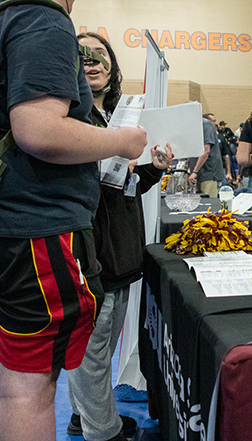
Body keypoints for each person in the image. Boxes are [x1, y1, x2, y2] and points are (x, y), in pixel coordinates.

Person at [0, 0, 148, 441]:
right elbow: (38, 130)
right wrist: (121, 140)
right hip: (35, 231)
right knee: (30, 388)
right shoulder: (42, 20)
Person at [67, 32, 171, 441]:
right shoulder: (72, 119)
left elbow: (126, 189)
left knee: (103, 345)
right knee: (92, 350)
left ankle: (83, 416)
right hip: (89, 251)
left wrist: (152, 169)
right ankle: (102, 430)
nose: (93, 62)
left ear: (112, 67)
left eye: (101, 55)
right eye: (84, 54)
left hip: (120, 249)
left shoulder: (115, 120)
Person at [188, 113, 227, 198]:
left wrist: (194, 172)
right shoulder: (192, 126)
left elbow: (206, 151)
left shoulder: (206, 125)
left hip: (209, 175)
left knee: (209, 204)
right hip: (197, 175)